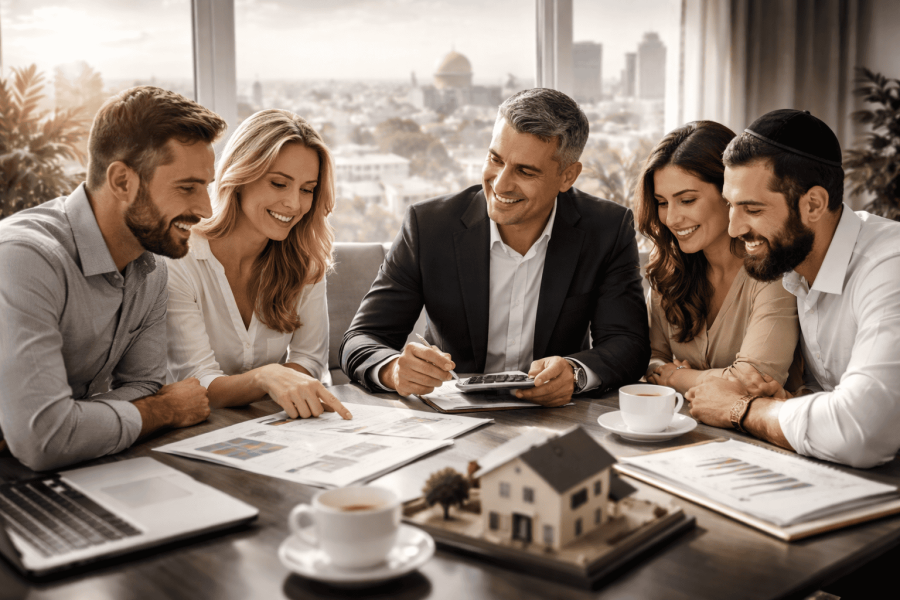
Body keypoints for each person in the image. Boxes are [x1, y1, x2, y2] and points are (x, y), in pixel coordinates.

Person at [340, 88, 649, 406]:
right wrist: (393, 370)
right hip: (451, 416)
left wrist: (575, 373)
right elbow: (361, 340)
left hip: (555, 417)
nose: (500, 184)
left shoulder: (606, 229)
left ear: (567, 176)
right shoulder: (429, 226)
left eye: (525, 171)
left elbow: (628, 343)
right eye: (495, 159)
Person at [0, 86, 226, 471]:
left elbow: (144, 387)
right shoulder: (25, 259)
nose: (205, 210)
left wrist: (72, 420)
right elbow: (45, 441)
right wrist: (165, 410)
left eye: (206, 187)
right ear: (122, 181)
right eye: (187, 187)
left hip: (52, 467)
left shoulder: (151, 266)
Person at [686, 109, 900, 468]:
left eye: (751, 209)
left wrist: (743, 409)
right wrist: (788, 404)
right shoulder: (796, 265)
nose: (734, 228)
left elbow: (864, 431)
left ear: (813, 204)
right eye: (730, 205)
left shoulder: (889, 265)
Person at [165, 109, 351, 421]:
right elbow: (198, 383)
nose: (294, 204)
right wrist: (266, 377)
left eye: (307, 189)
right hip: (186, 430)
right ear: (240, 177)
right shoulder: (178, 258)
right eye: (279, 183)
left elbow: (308, 359)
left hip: (267, 426)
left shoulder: (304, 260)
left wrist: (280, 382)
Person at [636, 121, 801, 395]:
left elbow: (751, 382)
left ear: (730, 193)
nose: (672, 219)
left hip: (758, 434)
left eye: (687, 200)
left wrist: (677, 377)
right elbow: (651, 359)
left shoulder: (774, 271)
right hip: (680, 429)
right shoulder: (670, 269)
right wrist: (671, 372)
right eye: (662, 203)